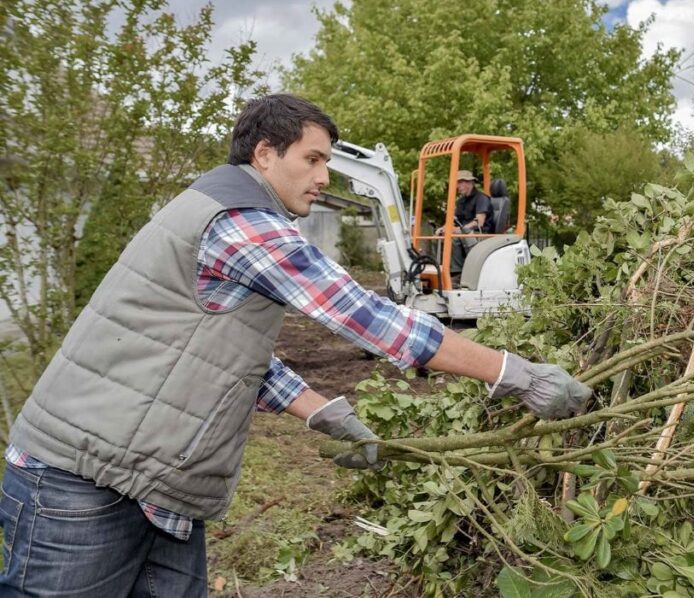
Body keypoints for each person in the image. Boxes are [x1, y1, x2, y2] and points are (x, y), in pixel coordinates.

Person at [0, 94, 591, 597]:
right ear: (265, 154)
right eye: (312, 159)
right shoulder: (241, 220)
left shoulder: (228, 209)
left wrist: (324, 413)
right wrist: (516, 373)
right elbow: (365, 317)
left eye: (327, 162)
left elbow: (224, 348)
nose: (323, 176)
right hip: (80, 486)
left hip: (150, 486)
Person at [450, 170, 493, 276]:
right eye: (457, 183)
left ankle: (458, 273)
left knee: (457, 237)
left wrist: (461, 230)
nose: (457, 186)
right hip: (465, 232)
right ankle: (445, 268)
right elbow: (454, 220)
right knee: (440, 236)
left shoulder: (481, 198)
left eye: (460, 182)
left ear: (470, 183)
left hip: (481, 234)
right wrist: (443, 229)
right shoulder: (461, 201)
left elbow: (479, 222)